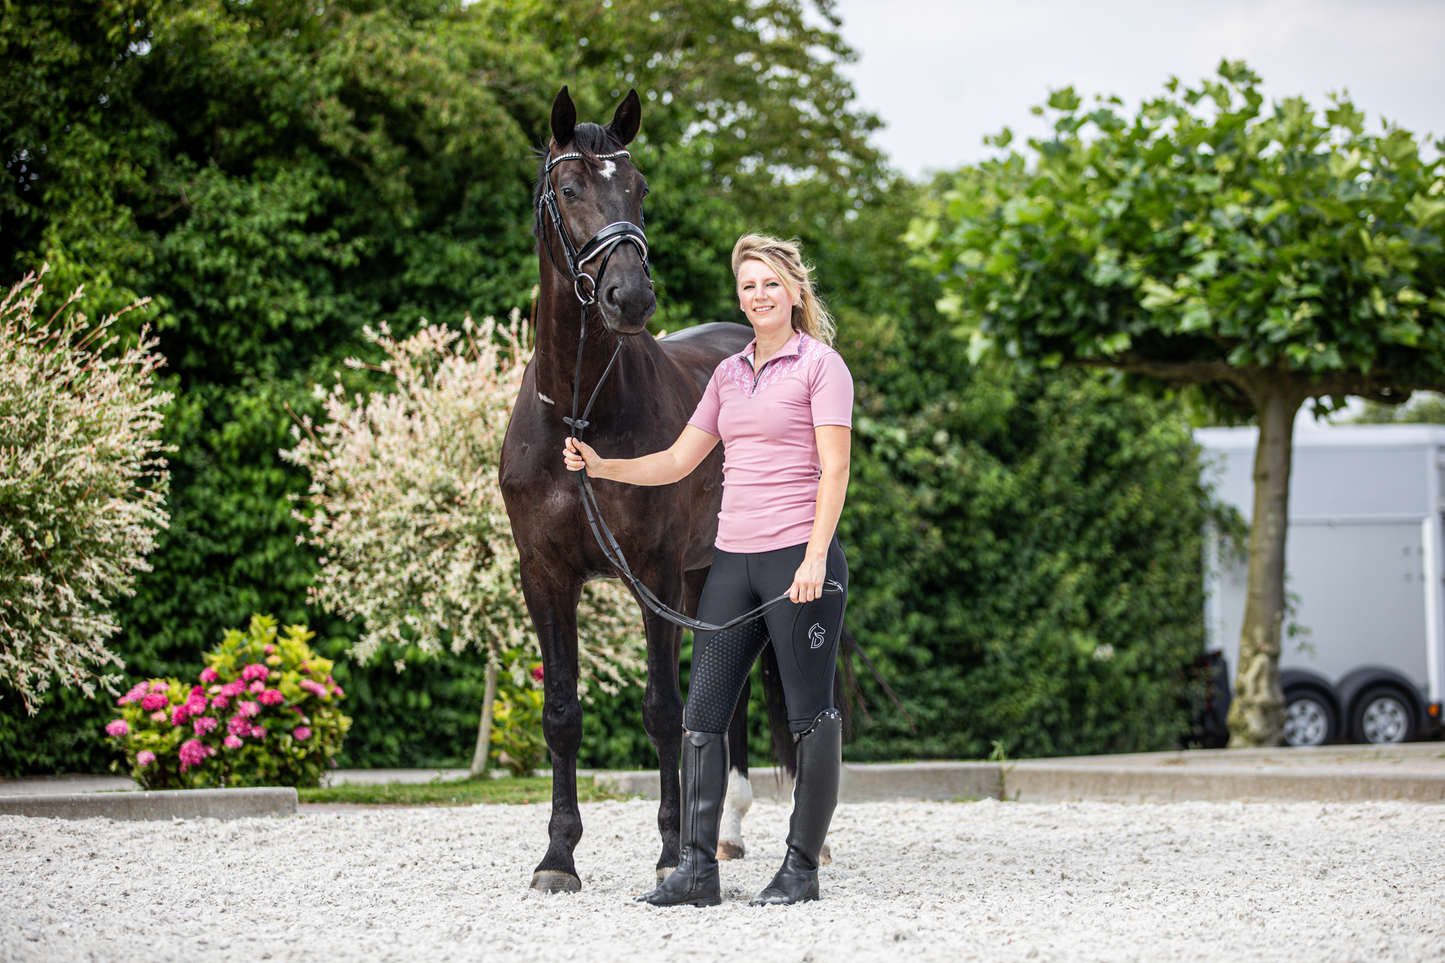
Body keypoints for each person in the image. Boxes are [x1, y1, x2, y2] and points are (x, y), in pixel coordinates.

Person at [563, 233, 853, 908]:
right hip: (734, 561)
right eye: (747, 285)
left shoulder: (820, 366)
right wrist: (601, 466)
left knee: (811, 714)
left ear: (795, 292)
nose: (758, 295)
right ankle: (696, 869)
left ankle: (800, 868)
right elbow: (675, 460)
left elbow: (835, 468)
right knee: (702, 715)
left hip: (797, 559)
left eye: (770, 284)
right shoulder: (728, 374)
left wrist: (814, 556)